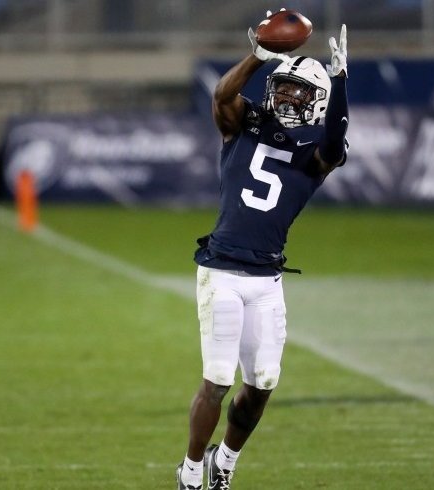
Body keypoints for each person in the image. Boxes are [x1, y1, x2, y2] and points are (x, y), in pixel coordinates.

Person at [176, 12, 350, 490]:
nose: (291, 97)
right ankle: (190, 471)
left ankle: (224, 462)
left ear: (316, 104)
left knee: (263, 382)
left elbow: (335, 142)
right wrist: (258, 55)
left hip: (267, 279)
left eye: (301, 92)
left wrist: (339, 84)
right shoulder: (243, 123)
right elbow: (222, 96)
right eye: (286, 87)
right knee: (216, 379)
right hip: (221, 272)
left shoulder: (316, 153)